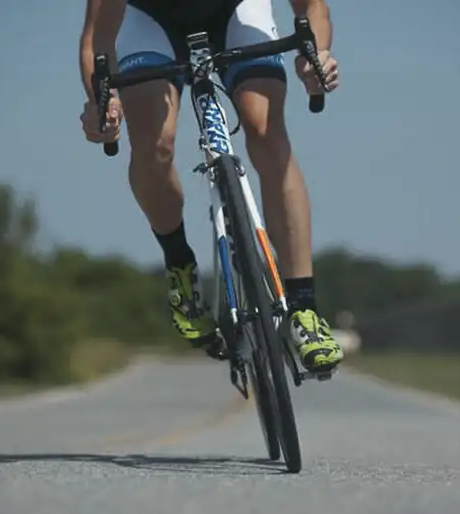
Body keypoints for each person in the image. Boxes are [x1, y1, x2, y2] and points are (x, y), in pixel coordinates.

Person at [79, 0, 343, 372]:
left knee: (266, 131)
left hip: (238, 10)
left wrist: (315, 56)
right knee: (155, 142)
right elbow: (97, 38)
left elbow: (312, 7)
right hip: (151, 19)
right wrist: (100, 103)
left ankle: (304, 310)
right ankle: (180, 265)